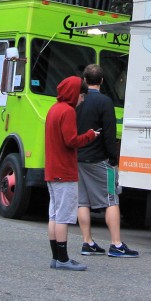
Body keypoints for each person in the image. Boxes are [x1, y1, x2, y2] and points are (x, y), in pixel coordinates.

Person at [75, 64, 138, 258]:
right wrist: (113, 158)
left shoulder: (77, 101)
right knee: (111, 199)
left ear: (85, 80)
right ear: (102, 81)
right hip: (99, 159)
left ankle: (87, 242)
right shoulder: (105, 102)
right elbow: (109, 134)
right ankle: (116, 244)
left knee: (82, 202)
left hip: (77, 158)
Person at [45, 75, 99, 271]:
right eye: (81, 95)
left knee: (54, 215)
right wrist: (90, 135)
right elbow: (71, 141)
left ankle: (55, 257)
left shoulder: (53, 109)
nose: (82, 99)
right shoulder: (67, 111)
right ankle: (63, 258)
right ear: (74, 93)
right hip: (64, 170)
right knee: (64, 216)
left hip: (52, 169)